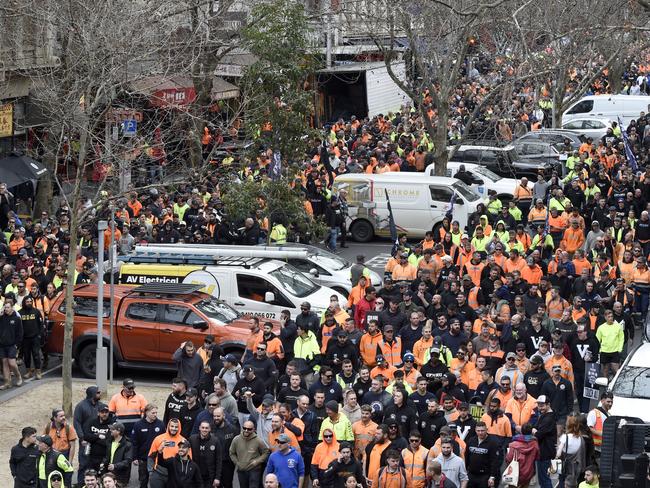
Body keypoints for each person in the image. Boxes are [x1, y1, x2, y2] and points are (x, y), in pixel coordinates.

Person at [130, 403, 164, 488]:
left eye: (156, 412)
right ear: (147, 412)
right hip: (143, 458)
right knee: (143, 480)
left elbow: (164, 440)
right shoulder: (138, 425)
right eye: (153, 413)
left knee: (156, 481)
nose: (155, 415)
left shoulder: (161, 424)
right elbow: (134, 443)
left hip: (157, 458)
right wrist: (134, 457)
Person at [230, 419, 270, 488]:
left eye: (249, 429)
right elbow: (232, 453)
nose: (246, 430)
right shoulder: (236, 439)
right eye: (244, 428)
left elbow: (266, 452)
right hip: (241, 470)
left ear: (253, 429)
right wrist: (237, 463)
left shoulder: (258, 440)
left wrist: (257, 461)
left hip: (254, 470)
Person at [74, 386, 102, 480]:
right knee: (84, 463)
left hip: (98, 441)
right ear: (92, 394)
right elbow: (77, 422)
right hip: (86, 441)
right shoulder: (81, 406)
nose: (99, 394)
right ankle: (81, 484)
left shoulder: (101, 406)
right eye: (98, 393)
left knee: (97, 464)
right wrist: (82, 438)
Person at [464, 422, 499, 488]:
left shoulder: (493, 443)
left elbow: (495, 461)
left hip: (485, 476)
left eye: (482, 430)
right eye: (478, 431)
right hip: (471, 474)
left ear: (486, 430)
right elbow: (466, 457)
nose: (480, 433)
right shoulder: (471, 440)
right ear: (475, 430)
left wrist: (492, 477)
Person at [189, 420, 223, 488]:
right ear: (199, 428)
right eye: (203, 427)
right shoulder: (192, 439)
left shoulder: (215, 441)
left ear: (210, 429)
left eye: (206, 428)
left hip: (209, 477)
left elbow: (219, 460)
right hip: (195, 476)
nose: (204, 430)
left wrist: (217, 478)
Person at [505, 422, 540, 488]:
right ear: (531, 431)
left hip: (515, 472)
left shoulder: (513, 445)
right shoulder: (535, 444)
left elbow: (508, 459)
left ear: (521, 431)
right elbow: (537, 457)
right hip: (528, 473)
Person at [556, 415, 587, 488]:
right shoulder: (580, 438)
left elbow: (558, 453)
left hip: (563, 464)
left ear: (568, 425)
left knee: (561, 481)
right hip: (575, 466)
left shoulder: (565, 437)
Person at [533, 395, 557, 488]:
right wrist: (535, 430)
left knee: (544, 479)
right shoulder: (545, 415)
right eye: (539, 405)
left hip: (545, 452)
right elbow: (534, 427)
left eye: (542, 405)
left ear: (548, 405)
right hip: (543, 452)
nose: (540, 408)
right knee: (543, 479)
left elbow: (538, 434)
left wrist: (535, 431)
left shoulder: (548, 418)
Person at [83, 404, 113, 473]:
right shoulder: (92, 422)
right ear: (98, 413)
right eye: (102, 412)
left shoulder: (112, 424)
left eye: (106, 412)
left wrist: (93, 438)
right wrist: (98, 436)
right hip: (91, 455)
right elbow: (86, 436)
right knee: (91, 476)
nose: (104, 414)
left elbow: (108, 441)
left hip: (105, 457)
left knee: (104, 477)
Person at [0, 301, 23, 389]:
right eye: (5, 307)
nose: (6, 309)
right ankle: (7, 382)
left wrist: (17, 345)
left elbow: (20, 333)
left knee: (12, 363)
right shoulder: (1, 318)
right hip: (2, 345)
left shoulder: (17, 319)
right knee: (5, 363)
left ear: (12, 308)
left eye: (8, 307)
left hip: (12, 345)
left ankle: (18, 377)